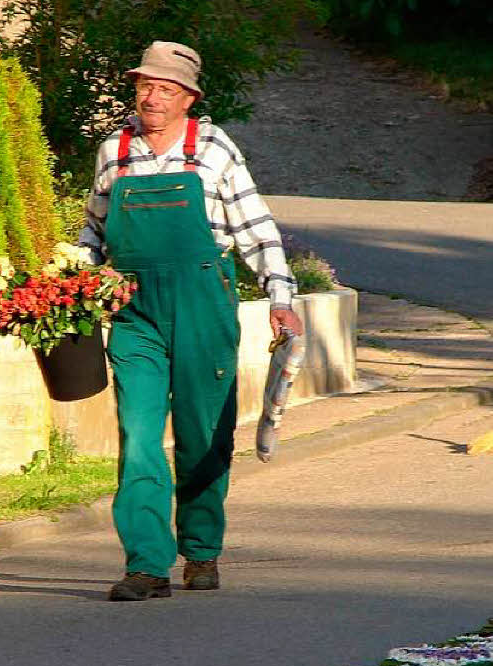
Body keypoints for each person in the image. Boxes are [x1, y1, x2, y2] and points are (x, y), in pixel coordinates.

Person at [79, 40, 303, 602]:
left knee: (205, 434)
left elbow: (256, 228)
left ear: (188, 99)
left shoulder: (214, 149)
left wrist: (280, 296)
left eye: (164, 89)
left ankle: (201, 550)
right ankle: (147, 564)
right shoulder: (114, 150)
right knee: (138, 436)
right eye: (144, 86)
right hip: (135, 312)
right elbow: (94, 232)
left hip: (203, 304)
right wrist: (74, 285)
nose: (151, 96)